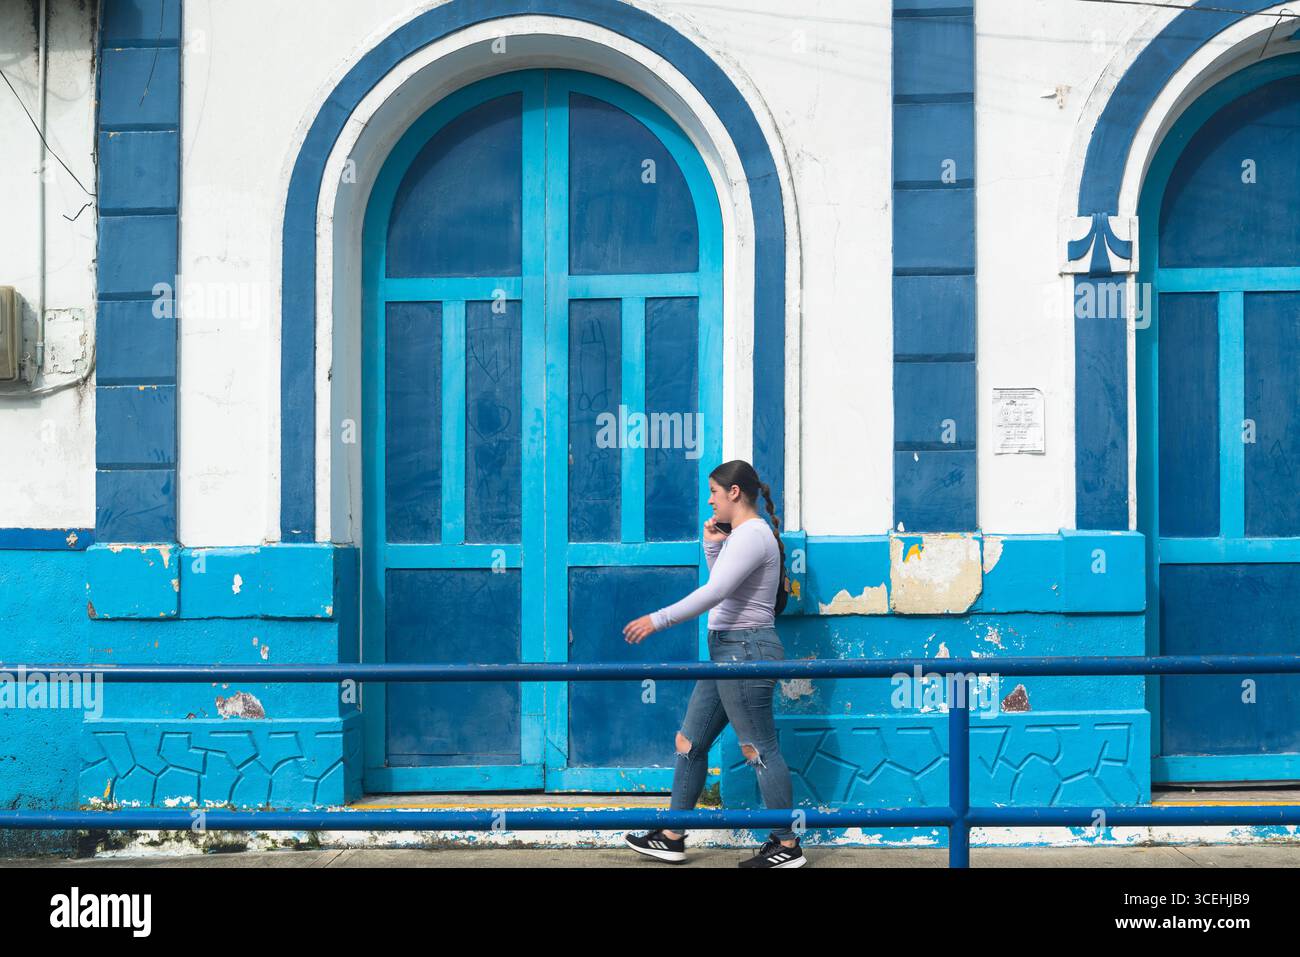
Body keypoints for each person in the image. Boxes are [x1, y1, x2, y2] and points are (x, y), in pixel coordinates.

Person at [620, 459, 804, 868]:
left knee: (758, 749)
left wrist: (659, 619)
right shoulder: (741, 536)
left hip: (746, 650)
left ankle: (787, 846)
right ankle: (671, 835)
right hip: (727, 651)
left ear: (734, 492)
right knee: (690, 743)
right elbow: (728, 585)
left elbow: (717, 591)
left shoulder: (753, 534)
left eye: (714, 493)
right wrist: (712, 545)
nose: (710, 501)